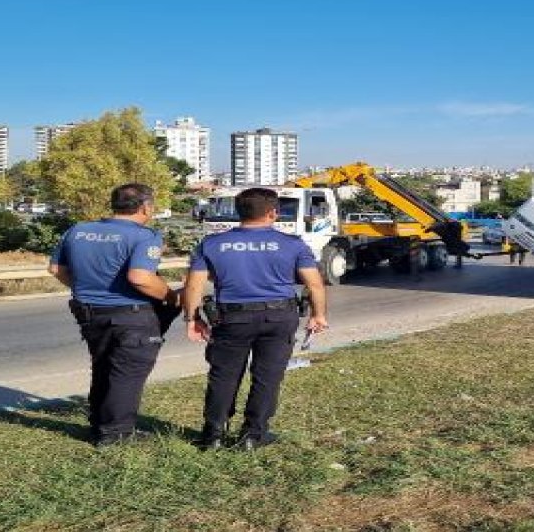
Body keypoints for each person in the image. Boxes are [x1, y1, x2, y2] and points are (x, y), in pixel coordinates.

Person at [183, 187, 328, 451]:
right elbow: (315, 285)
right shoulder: (293, 244)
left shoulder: (212, 244)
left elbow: (193, 286)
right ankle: (253, 435)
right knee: (267, 376)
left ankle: (214, 435)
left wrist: (192, 318)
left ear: (240, 212)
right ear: (273, 212)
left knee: (223, 375)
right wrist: (318, 315)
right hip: (279, 316)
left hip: (232, 318)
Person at [48, 183, 179, 448]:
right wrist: (172, 297)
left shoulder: (78, 230)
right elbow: (140, 278)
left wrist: (85, 289)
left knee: (103, 366)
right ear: (146, 207)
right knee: (127, 372)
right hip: (130, 314)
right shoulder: (145, 236)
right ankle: (116, 434)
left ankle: (100, 423)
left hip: (89, 311)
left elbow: (55, 269)